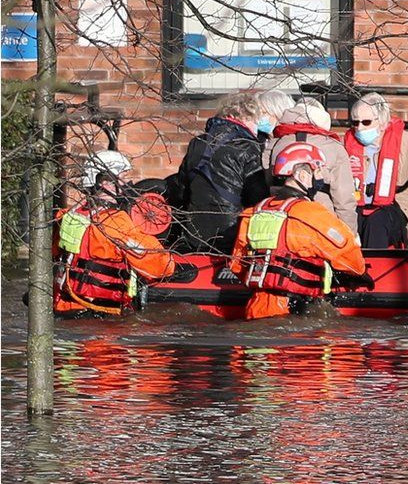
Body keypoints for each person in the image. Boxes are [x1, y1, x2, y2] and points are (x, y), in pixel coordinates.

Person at [230, 142, 368, 320]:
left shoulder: (254, 212)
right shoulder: (311, 214)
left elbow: (236, 264)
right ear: (302, 175)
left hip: (256, 306)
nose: (320, 179)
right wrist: (360, 274)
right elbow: (350, 257)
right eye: (317, 172)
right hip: (294, 310)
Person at [54, 150, 175, 316]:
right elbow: (163, 267)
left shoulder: (67, 216)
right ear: (105, 183)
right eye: (123, 179)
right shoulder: (117, 224)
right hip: (100, 319)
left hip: (63, 310)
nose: (127, 186)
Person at [174, 93, 271, 253]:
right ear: (242, 118)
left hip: (194, 229)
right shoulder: (247, 146)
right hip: (231, 230)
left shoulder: (197, 143)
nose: (257, 127)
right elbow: (257, 196)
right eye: (254, 121)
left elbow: (181, 188)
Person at [343, 92, 408, 248]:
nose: (359, 128)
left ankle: (374, 269)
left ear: (381, 123)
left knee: (377, 223)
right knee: (350, 223)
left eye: (366, 122)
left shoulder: (406, 142)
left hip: (395, 207)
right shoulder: (348, 147)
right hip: (357, 207)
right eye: (355, 122)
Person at [268, 100, 358, 232]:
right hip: (321, 222)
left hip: (279, 219)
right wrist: (350, 234)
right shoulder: (334, 147)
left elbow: (267, 184)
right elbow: (344, 200)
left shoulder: (273, 145)